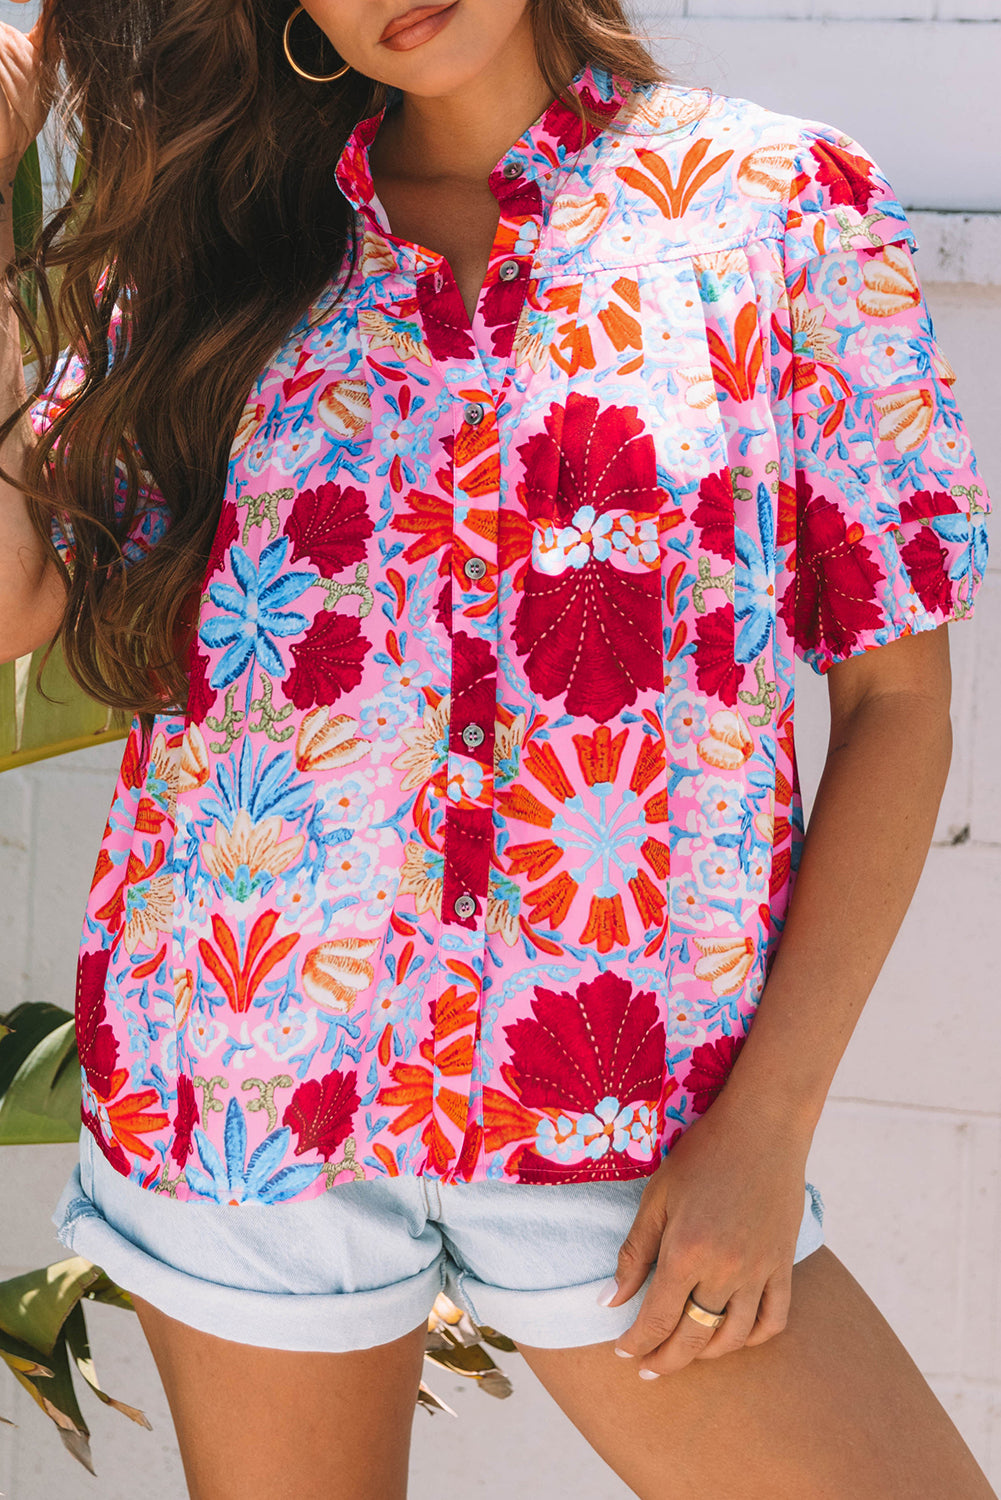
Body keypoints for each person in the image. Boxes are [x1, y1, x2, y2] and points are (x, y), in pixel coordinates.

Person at [0, 1, 995, 1496]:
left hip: (633, 1108)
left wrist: (768, 1127)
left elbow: (898, 703)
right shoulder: (223, 254)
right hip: (244, 1100)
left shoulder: (780, 205)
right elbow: (15, 601)